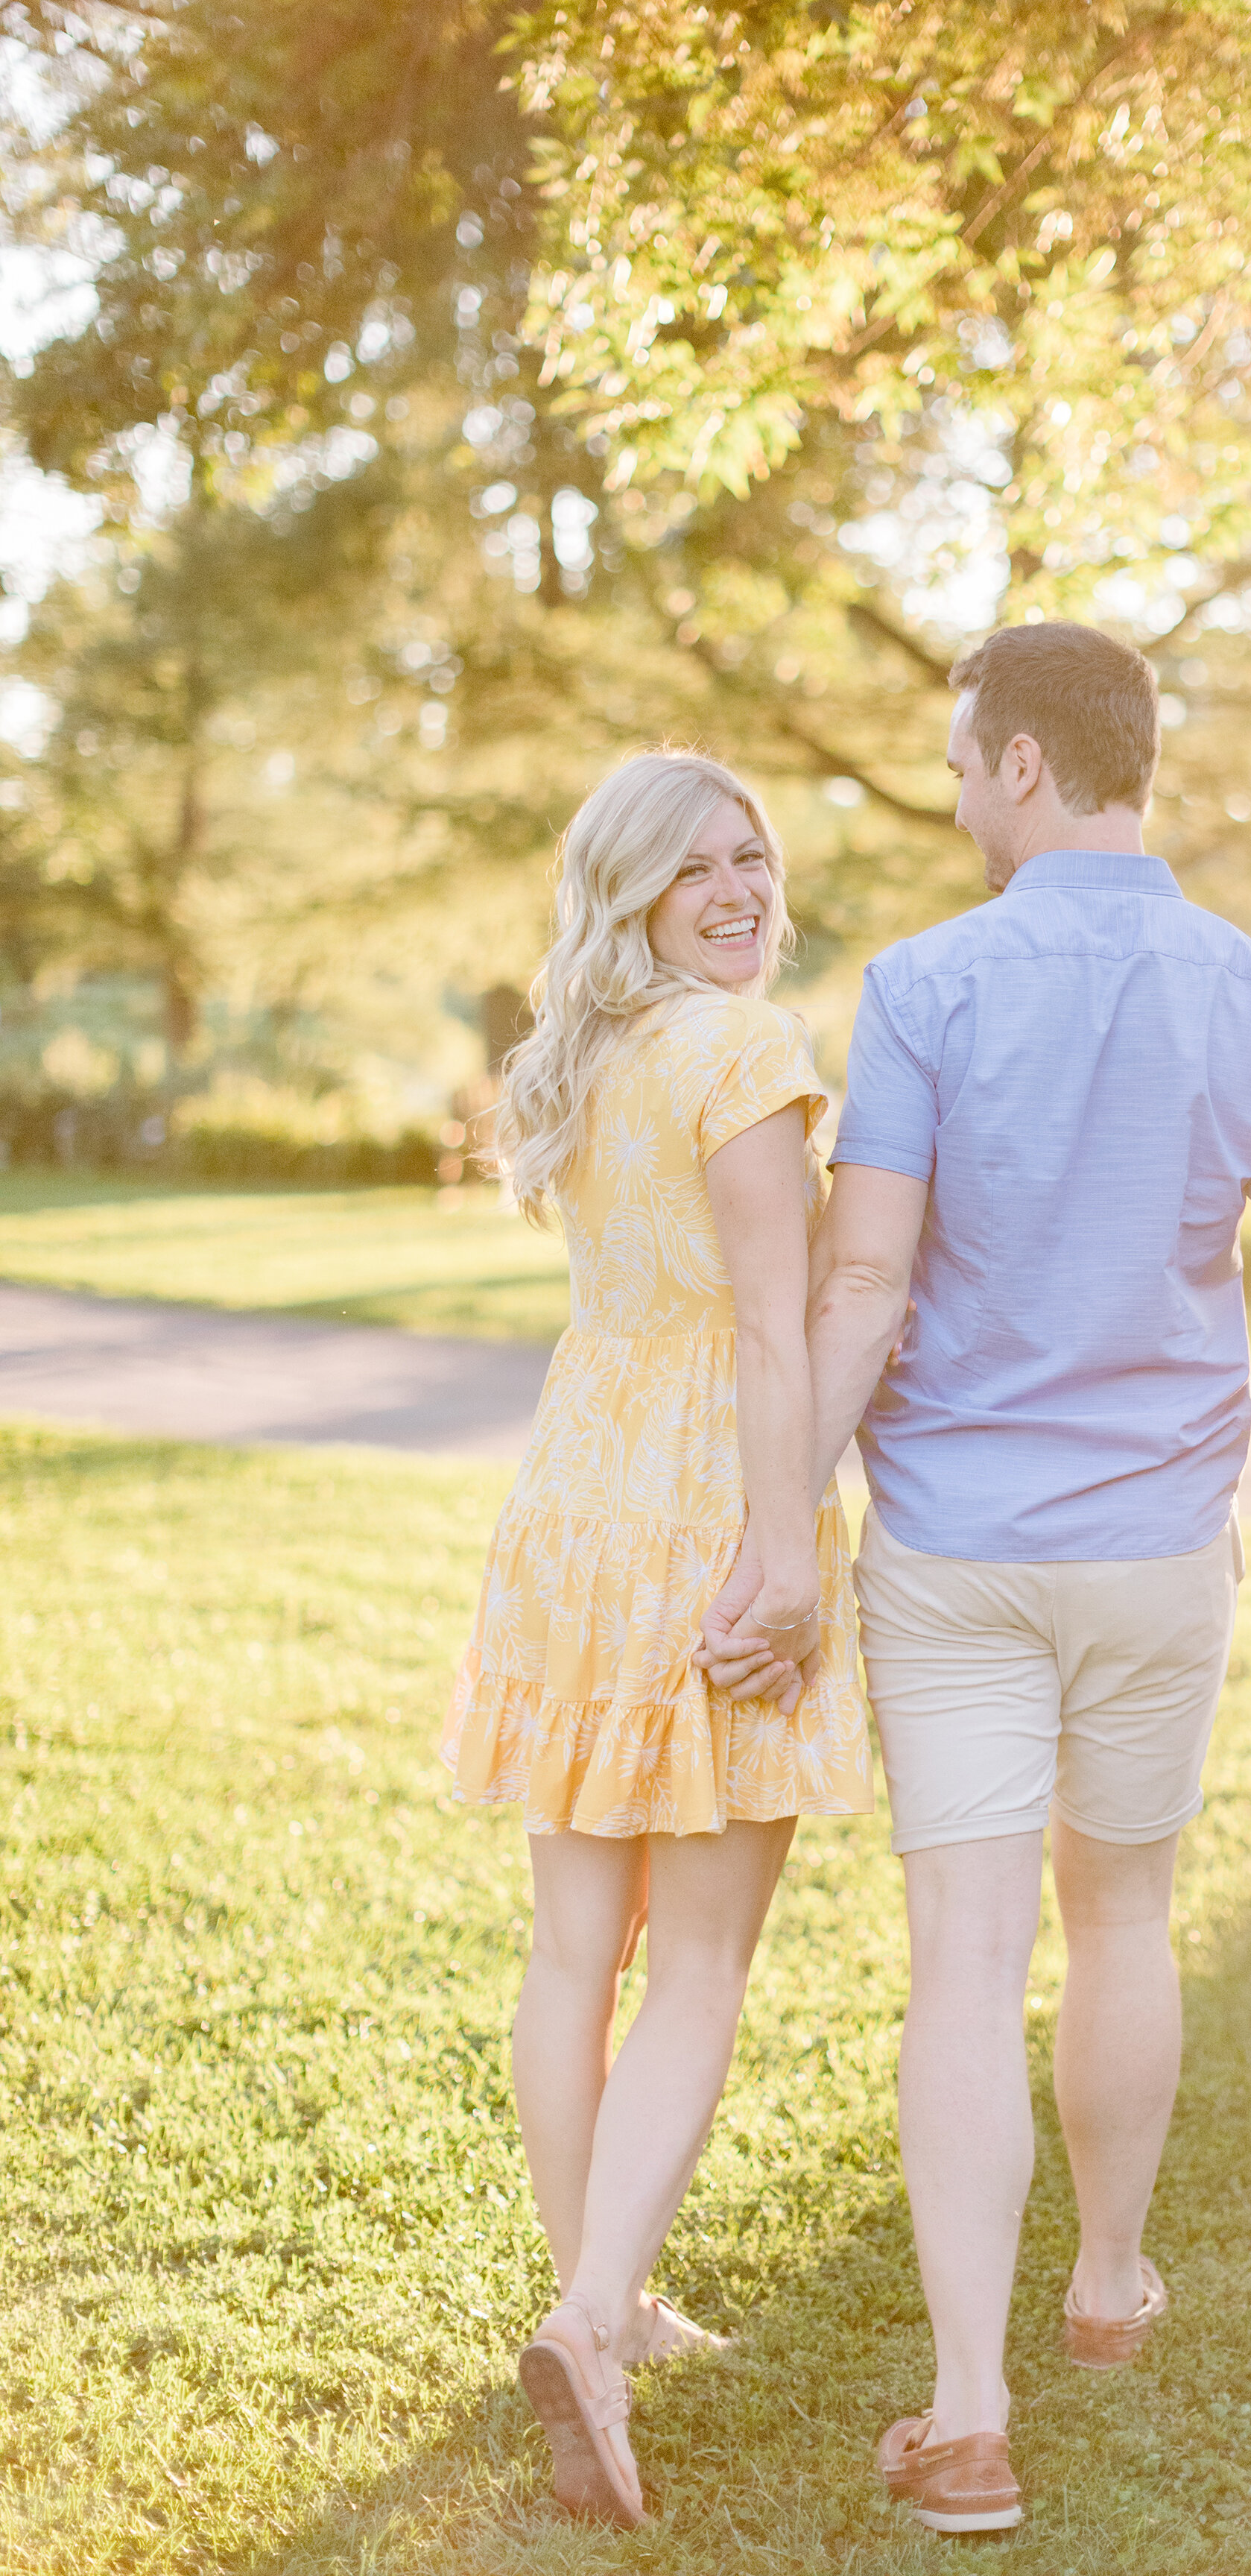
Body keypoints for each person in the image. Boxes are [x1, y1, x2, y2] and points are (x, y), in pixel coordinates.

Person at [706, 621, 1251, 2537]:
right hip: (1158, 1552)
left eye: (959, 764)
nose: (951, 799)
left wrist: (784, 1531)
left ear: (1024, 763)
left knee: (964, 1963)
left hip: (952, 1551)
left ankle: (967, 2414)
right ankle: (1107, 2281)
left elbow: (861, 1281)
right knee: (1123, 1919)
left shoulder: (927, 984)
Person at [442, 751, 872, 2529]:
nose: (740, 890)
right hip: (704, 1518)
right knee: (691, 1964)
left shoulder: (588, 1053)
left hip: (573, 1509)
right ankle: (597, 2317)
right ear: (627, 891)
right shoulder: (739, 1051)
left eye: (754, 858)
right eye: (697, 868)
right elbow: (780, 1335)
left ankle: (593, 2290)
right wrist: (787, 1553)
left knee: (573, 1953)